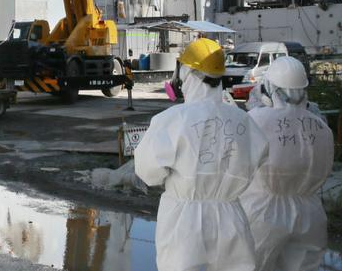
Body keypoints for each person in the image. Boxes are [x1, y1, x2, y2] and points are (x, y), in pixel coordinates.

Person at [134, 38, 269, 271]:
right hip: (231, 216)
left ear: (186, 72)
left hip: (183, 220)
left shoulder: (172, 119)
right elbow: (259, 156)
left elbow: (148, 173)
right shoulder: (243, 120)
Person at [240, 56, 332, 271]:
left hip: (264, 211)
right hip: (310, 212)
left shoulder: (256, 120)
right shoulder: (320, 125)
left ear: (270, 88)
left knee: (251, 265)